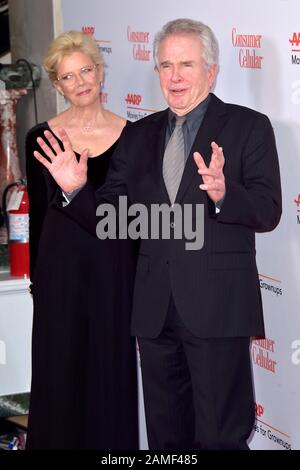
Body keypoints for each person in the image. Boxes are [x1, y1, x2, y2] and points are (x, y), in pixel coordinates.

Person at [34, 19, 282, 450]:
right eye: (166, 65)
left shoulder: (249, 126)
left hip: (217, 310)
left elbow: (269, 211)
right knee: (168, 441)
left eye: (186, 64)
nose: (175, 76)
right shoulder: (139, 134)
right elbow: (114, 221)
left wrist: (225, 194)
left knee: (220, 436)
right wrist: (76, 189)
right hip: (153, 313)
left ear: (211, 69)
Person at [25, 31, 138, 450]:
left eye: (86, 70)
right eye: (69, 77)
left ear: (100, 71)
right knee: (59, 373)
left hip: (113, 270)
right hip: (60, 271)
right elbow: (39, 215)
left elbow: (134, 219)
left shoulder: (135, 136)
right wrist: (39, 279)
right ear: (58, 86)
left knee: (110, 374)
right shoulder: (40, 137)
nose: (80, 82)